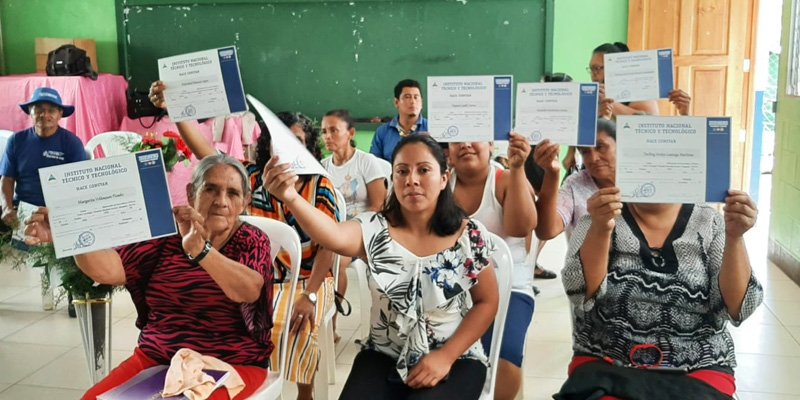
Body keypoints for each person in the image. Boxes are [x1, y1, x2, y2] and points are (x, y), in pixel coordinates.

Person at [263, 135, 499, 399]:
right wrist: (290, 197)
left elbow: (487, 302)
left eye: (424, 170)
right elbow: (332, 235)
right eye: (402, 171)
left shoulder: (469, 235)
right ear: (393, 179)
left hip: (456, 356)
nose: (412, 180)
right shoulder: (374, 229)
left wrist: (446, 356)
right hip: (384, 353)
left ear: (444, 178)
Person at [25, 155, 274, 400]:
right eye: (210, 189)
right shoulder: (165, 236)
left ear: (245, 202)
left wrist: (200, 251)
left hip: (232, 365)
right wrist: (70, 234)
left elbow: (248, 290)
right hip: (158, 358)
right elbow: (110, 270)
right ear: (191, 193)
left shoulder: (252, 240)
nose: (221, 201)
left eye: (232, 193)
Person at [149, 81, 338, 400]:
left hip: (311, 280)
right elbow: (207, 155)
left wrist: (311, 295)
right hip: (266, 279)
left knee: (298, 323)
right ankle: (250, 385)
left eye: (299, 142)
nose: (289, 150)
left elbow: (329, 247)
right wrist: (175, 108)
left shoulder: (320, 184)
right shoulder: (251, 178)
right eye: (282, 142)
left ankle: (304, 394)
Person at [555, 187, 763, 399]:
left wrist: (735, 237)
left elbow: (738, 308)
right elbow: (579, 294)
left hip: (698, 366)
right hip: (608, 362)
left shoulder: (711, 223)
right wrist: (601, 229)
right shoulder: (598, 218)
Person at [448, 134, 537, 400]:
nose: (464, 144)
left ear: (490, 145)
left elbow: (521, 228)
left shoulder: (506, 180)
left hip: (510, 290)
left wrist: (518, 167)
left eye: (473, 137)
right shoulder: (441, 186)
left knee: (503, 360)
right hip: (454, 293)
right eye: (455, 139)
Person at [0, 87, 88, 314]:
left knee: (79, 235)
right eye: (39, 109)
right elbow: (6, 180)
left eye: (51, 110)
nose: (44, 115)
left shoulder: (72, 144)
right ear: (30, 112)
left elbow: (80, 185)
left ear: (60, 115)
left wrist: (61, 212)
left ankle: (74, 294)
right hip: (23, 210)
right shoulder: (16, 141)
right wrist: (7, 208)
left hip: (59, 211)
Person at [320, 109, 388, 340]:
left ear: (350, 133)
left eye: (333, 130)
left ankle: (332, 325)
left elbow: (379, 205)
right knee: (321, 253)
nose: (327, 136)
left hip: (364, 229)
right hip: (334, 231)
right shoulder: (322, 167)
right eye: (324, 132)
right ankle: (316, 311)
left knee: (336, 259)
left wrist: (349, 227)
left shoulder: (366, 162)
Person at [535, 119, 618, 242]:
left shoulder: (641, 180)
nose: (593, 158)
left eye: (600, 147)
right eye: (585, 152)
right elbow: (547, 231)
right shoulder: (575, 184)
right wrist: (552, 174)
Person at [589, 42, 692, 119]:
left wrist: (610, 103)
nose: (593, 74)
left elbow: (648, 124)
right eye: (591, 69)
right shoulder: (593, 98)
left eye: (597, 68)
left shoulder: (640, 92)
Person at [369, 79, 429, 162]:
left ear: (421, 103)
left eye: (416, 97)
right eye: (407, 97)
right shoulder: (382, 132)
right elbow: (375, 164)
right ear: (396, 102)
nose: (413, 101)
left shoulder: (432, 128)